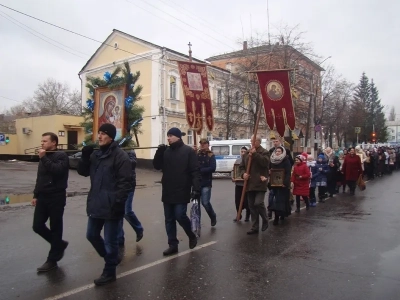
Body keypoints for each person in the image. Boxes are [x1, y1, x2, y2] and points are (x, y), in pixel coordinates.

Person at [78, 123, 133, 286]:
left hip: (112, 204)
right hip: (96, 202)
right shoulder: (95, 155)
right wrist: (84, 157)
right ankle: (111, 258)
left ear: (110, 136)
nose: (99, 136)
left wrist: (118, 203)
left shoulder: (120, 156)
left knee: (111, 241)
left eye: (103, 133)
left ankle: (109, 272)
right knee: (91, 235)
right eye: (99, 133)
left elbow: (126, 182)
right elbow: (83, 172)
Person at [153, 127, 199, 256]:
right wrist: (159, 152)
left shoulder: (188, 151)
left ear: (178, 137)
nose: (168, 138)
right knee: (169, 219)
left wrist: (196, 188)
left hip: (182, 189)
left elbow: (195, 171)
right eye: (167, 136)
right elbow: (156, 166)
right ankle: (173, 244)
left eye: (171, 135)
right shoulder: (166, 151)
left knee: (180, 215)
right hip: (168, 189)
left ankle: (191, 235)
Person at [32, 132, 69, 272]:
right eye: (41, 141)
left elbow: (57, 170)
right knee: (37, 226)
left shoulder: (61, 156)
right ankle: (59, 244)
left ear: (54, 143)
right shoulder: (44, 157)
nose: (42, 143)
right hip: (42, 197)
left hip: (56, 196)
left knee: (55, 227)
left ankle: (52, 259)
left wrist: (44, 158)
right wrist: (35, 194)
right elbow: (40, 177)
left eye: (45, 141)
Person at [240, 135, 270, 235]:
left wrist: (256, 154)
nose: (252, 142)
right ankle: (255, 226)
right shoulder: (247, 153)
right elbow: (241, 167)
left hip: (260, 182)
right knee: (252, 206)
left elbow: (265, 163)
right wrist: (243, 174)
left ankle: (265, 219)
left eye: (254, 140)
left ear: (259, 142)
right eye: (251, 140)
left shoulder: (264, 152)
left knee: (258, 203)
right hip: (249, 183)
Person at [118, 149, 144, 253]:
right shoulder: (111, 148)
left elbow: (132, 163)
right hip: (116, 186)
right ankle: (119, 239)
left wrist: (121, 155)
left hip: (129, 185)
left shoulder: (129, 150)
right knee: (118, 212)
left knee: (126, 211)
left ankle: (139, 228)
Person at [268, 146, 292, 225]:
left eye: (279, 151)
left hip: (282, 185)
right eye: (276, 151)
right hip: (274, 184)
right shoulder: (272, 160)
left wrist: (285, 183)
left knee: (280, 201)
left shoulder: (286, 161)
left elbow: (288, 173)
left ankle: (279, 216)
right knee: (274, 200)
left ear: (282, 152)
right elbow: (269, 170)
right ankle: (276, 216)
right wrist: (269, 173)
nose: (277, 152)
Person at [197, 138, 217, 226]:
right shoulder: (196, 154)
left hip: (206, 182)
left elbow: (213, 168)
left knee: (205, 202)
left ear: (208, 145)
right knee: (196, 204)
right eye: (201, 144)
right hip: (197, 182)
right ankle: (197, 222)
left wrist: (201, 170)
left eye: (204, 144)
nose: (202, 145)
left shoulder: (211, 155)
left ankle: (212, 216)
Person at [232, 146, 250, 222]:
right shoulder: (237, 161)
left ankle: (248, 215)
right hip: (238, 184)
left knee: (247, 201)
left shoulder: (249, 161)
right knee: (237, 201)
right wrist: (233, 177)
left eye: (244, 152)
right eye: (241, 151)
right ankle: (239, 214)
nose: (243, 153)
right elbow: (233, 170)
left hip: (246, 184)